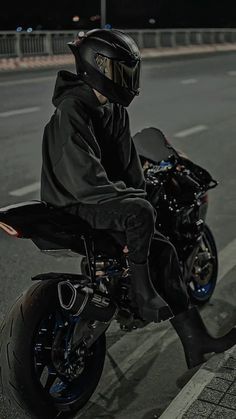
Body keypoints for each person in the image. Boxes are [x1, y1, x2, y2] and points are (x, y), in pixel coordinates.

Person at [40, 28, 236, 369]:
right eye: (121, 70)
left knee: (163, 249)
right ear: (96, 66)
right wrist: (132, 198)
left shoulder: (114, 110)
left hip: (98, 196)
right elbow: (81, 175)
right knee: (139, 212)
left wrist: (139, 188)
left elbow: (128, 167)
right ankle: (144, 296)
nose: (127, 78)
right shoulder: (72, 108)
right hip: (73, 199)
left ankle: (197, 342)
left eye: (130, 70)